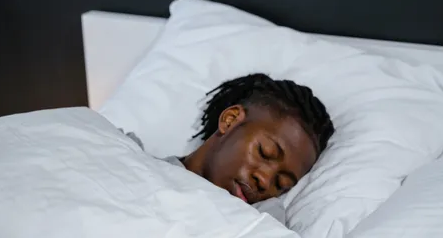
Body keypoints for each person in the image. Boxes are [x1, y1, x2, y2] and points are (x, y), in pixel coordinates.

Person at [128, 73, 334, 223]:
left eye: (281, 184)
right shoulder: (128, 156)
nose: (264, 181)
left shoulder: (260, 220)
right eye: (264, 153)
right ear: (230, 120)